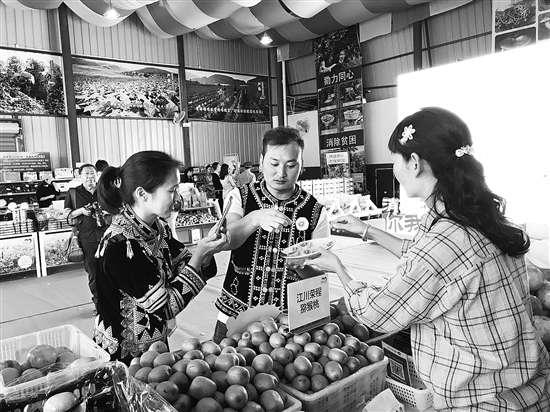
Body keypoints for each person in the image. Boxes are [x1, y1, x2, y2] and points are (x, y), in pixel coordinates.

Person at [307, 107, 550, 411]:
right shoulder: (477, 216)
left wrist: (337, 267)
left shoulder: (442, 241)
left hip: (483, 402)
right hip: (529, 390)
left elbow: (376, 311)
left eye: (395, 159)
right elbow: (423, 257)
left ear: (414, 162)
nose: (395, 169)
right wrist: (367, 230)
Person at [92, 151, 228, 365]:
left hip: (155, 347)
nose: (178, 198)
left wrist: (207, 252)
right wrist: (201, 253)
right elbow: (166, 307)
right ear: (142, 194)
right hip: (126, 356)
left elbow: (183, 263)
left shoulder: (157, 228)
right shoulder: (122, 246)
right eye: (172, 191)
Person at [213, 126, 330, 342]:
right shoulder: (240, 196)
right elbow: (226, 240)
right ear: (261, 161)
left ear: (301, 164)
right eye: (274, 164)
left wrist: (301, 266)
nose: (281, 173)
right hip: (235, 316)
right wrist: (254, 218)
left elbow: (320, 276)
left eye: (291, 165)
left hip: (287, 325)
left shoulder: (315, 211)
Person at [64, 164, 108, 316]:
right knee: (93, 273)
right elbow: (67, 214)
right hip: (86, 238)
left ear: (97, 175)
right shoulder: (73, 193)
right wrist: (81, 211)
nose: (90, 177)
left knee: (111, 269)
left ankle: (114, 302)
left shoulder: (104, 190)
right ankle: (99, 304)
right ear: (80, 176)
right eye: (86, 174)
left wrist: (106, 211)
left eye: (92, 173)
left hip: (107, 235)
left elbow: (117, 207)